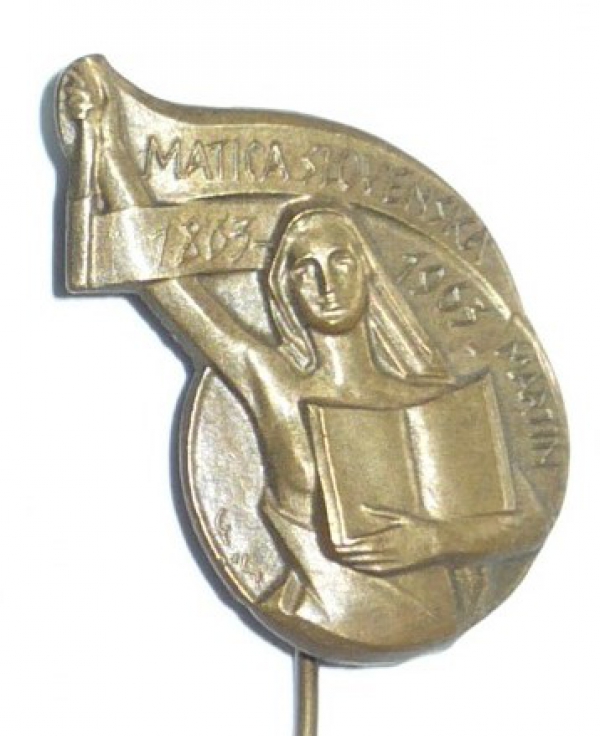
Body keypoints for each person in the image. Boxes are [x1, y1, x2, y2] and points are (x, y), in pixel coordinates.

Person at [63, 68, 548, 655]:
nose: (326, 283)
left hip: (431, 611)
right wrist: (107, 145)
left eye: (340, 262)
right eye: (305, 269)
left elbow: (528, 518)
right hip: (325, 612)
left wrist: (434, 540)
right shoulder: (275, 383)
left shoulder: (432, 400)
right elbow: (169, 284)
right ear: (285, 288)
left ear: (368, 274)